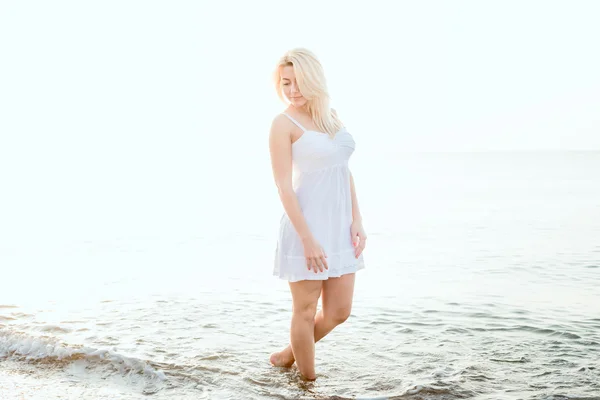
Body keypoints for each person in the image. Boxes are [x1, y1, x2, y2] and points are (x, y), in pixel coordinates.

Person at [268, 48, 367, 381]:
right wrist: (307, 239)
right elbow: (283, 186)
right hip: (305, 228)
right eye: (286, 83)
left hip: (340, 228)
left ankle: (286, 355)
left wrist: (357, 220)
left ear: (315, 81)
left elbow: (343, 170)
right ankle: (308, 383)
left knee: (339, 312)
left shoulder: (332, 117)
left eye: (299, 82)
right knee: (305, 310)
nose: (293, 90)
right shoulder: (283, 124)